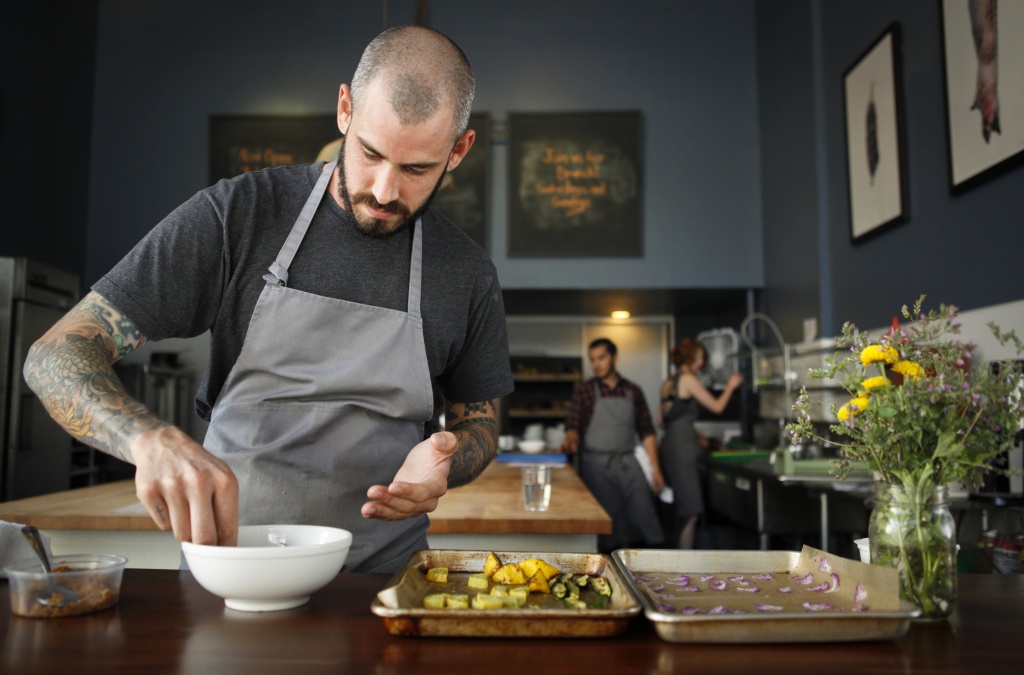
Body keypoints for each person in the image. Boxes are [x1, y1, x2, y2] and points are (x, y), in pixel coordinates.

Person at [22, 26, 513, 574]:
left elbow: (480, 423)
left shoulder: (465, 272)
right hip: (236, 573)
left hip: (387, 586)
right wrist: (148, 439)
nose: (383, 190)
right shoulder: (237, 217)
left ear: (459, 150)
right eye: (371, 154)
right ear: (344, 109)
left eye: (416, 169)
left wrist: (448, 460)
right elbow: (54, 354)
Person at [560, 338, 664, 552]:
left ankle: (641, 576)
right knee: (607, 527)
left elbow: (647, 432)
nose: (596, 364)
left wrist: (656, 471)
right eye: (592, 359)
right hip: (597, 468)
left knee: (643, 517)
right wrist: (570, 442)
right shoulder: (585, 391)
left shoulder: (633, 391)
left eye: (601, 357)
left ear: (614, 358)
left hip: (629, 464)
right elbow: (573, 427)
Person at [657, 338, 742, 549]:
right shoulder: (689, 379)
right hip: (682, 449)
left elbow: (661, 421)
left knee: (680, 506)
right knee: (691, 509)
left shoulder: (668, 383)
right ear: (693, 358)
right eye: (701, 357)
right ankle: (684, 562)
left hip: (669, 445)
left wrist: (692, 434)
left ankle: (677, 557)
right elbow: (717, 407)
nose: (702, 362)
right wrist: (731, 386)